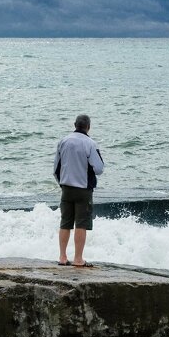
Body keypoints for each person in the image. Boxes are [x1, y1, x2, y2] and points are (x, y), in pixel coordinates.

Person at [53, 114, 105, 267]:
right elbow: (99, 169)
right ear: (88, 127)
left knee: (65, 223)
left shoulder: (63, 141)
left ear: (75, 124)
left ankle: (62, 257)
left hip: (66, 188)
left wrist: (62, 184)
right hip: (83, 189)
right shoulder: (90, 143)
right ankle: (78, 259)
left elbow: (56, 168)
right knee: (81, 224)